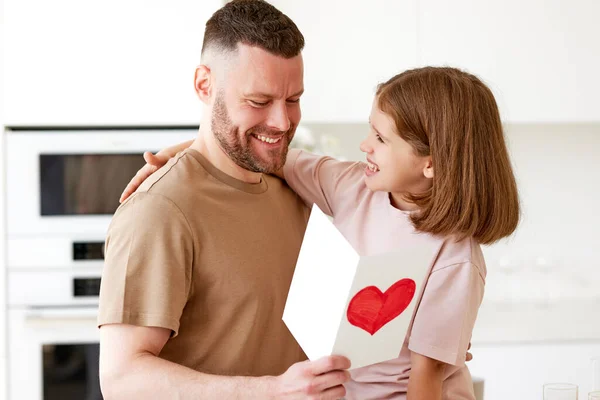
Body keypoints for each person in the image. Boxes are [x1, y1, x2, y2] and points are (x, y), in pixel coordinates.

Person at [121, 66, 520, 399]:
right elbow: (266, 155)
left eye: (381, 139)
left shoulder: (454, 259)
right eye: (371, 130)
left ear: (429, 164)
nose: (365, 145)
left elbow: (427, 379)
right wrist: (178, 155)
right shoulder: (353, 187)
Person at [97, 1, 351, 399]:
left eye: (293, 99)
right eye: (258, 101)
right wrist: (273, 392)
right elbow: (122, 380)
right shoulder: (160, 210)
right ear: (204, 85)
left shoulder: (294, 183)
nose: (282, 123)